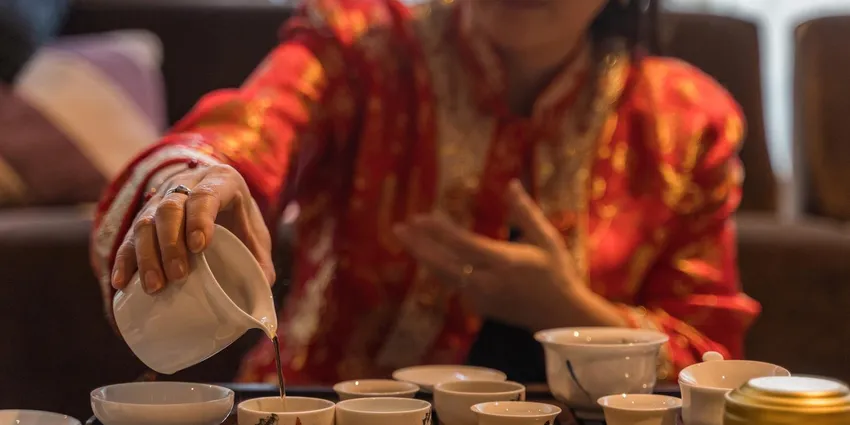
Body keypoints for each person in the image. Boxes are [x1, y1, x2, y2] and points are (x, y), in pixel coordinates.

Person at [91, 0, 761, 385]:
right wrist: (193, 177)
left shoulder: (682, 123)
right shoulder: (363, 48)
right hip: (320, 402)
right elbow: (249, 127)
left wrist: (568, 310)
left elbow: (714, 365)